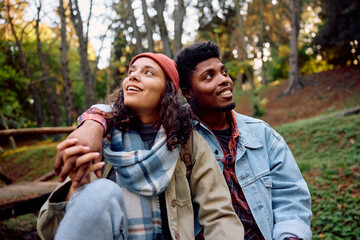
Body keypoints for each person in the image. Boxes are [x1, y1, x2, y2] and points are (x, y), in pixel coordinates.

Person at [53, 41, 312, 240]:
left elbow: (286, 198)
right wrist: (94, 121)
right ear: (186, 93)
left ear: (167, 92)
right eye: (209, 76)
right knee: (101, 192)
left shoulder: (249, 134)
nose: (224, 79)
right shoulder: (112, 136)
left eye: (223, 71)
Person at [37, 52, 244, 240]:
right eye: (131, 72)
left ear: (167, 91)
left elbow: (219, 215)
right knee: (101, 192)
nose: (133, 76)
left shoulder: (187, 142)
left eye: (148, 72)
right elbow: (47, 231)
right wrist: (74, 194)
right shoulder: (101, 141)